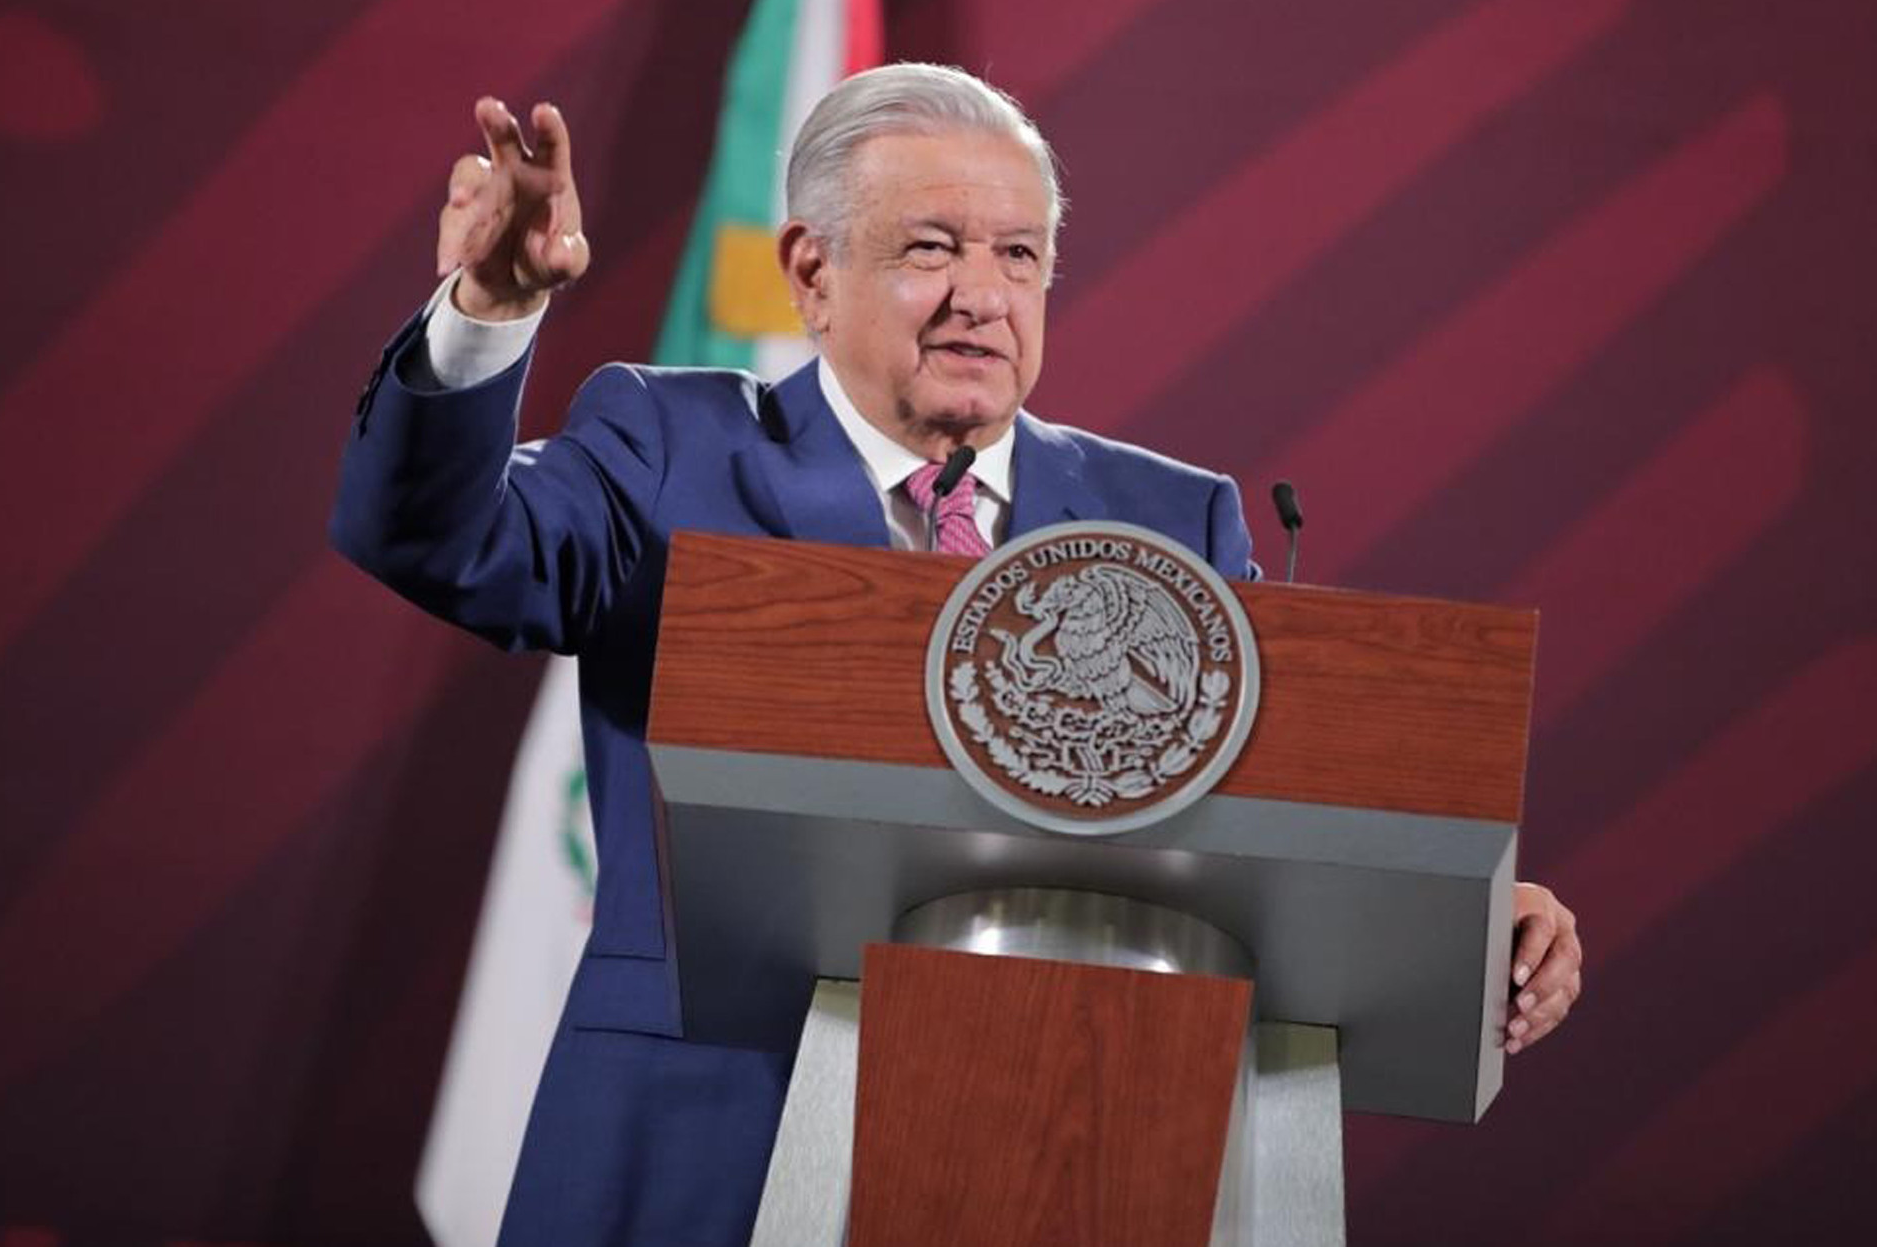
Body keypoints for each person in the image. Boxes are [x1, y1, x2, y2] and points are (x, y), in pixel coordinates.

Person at [332, 63, 1583, 1247]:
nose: (983, 294)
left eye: (1019, 255)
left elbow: (1275, 804)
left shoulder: (1171, 521)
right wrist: (487, 317)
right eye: (932, 247)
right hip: (705, 1150)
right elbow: (440, 540)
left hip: (1069, 1155)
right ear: (812, 272)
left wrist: (1476, 914)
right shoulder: (674, 448)